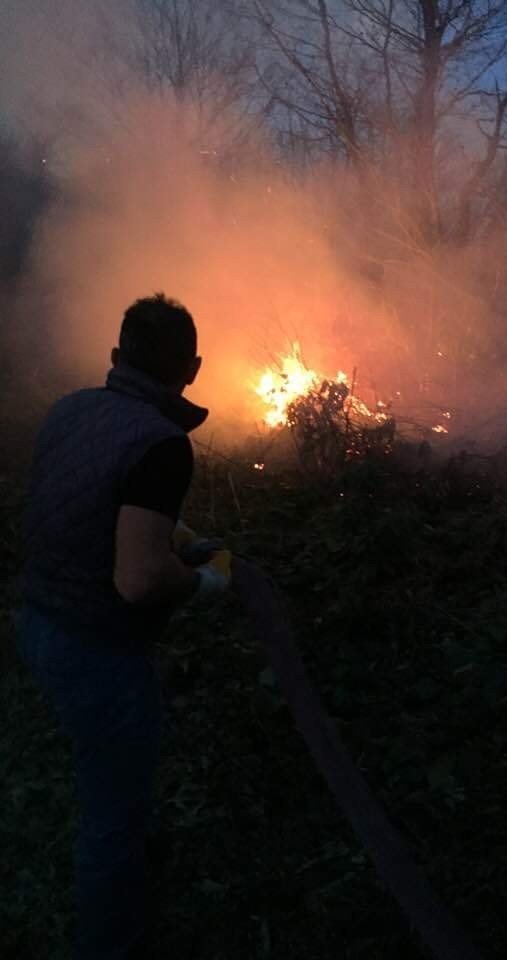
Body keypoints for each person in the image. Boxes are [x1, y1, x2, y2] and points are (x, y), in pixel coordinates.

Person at [15, 292, 231, 959]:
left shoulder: (69, 410)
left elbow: (84, 504)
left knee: (108, 777)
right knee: (112, 816)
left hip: (34, 623)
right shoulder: (163, 444)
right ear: (191, 369)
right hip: (96, 653)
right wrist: (203, 580)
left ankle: (133, 847)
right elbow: (137, 581)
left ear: (115, 357)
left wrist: (171, 529)